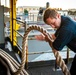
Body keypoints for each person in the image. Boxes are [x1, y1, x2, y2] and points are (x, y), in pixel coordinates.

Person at [35, 8, 76, 75]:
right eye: (50, 25)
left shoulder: (66, 29)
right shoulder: (63, 20)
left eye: (53, 23)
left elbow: (56, 47)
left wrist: (47, 39)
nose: (53, 27)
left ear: (58, 16)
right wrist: (44, 37)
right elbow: (55, 36)